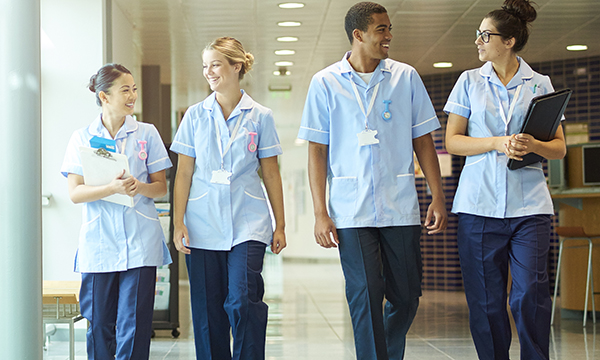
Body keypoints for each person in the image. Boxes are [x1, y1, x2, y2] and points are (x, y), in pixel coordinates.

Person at [298, 2, 447, 359]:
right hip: (351, 209)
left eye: (389, 28)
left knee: (407, 294)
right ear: (358, 35)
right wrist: (320, 212)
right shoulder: (325, 83)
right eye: (382, 29)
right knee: (364, 293)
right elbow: (317, 151)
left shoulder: (405, 77)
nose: (389, 36)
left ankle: (386, 352)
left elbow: (423, 139)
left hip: (400, 205)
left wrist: (437, 195)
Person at [444, 1, 566, 359]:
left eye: (486, 35)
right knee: (485, 299)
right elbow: (453, 141)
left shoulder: (540, 83)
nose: (478, 41)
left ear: (509, 41)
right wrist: (498, 143)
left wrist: (534, 144)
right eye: (478, 35)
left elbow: (558, 148)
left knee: (529, 292)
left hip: (530, 206)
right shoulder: (468, 81)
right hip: (478, 205)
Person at [170, 37, 286, 360]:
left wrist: (281, 225)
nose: (208, 72)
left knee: (242, 299)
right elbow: (183, 174)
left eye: (215, 64)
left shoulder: (260, 116)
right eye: (205, 66)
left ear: (236, 67)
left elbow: (271, 173)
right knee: (208, 312)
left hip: (248, 222)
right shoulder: (194, 116)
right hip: (202, 223)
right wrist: (177, 222)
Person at [61, 63, 173, 359]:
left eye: (134, 89)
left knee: (134, 326)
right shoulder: (81, 138)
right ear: (104, 96)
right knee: (99, 325)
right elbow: (75, 193)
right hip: (99, 244)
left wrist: (139, 186)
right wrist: (111, 189)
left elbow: (160, 187)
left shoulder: (147, 134)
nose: (132, 95)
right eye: (125, 89)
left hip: (140, 242)